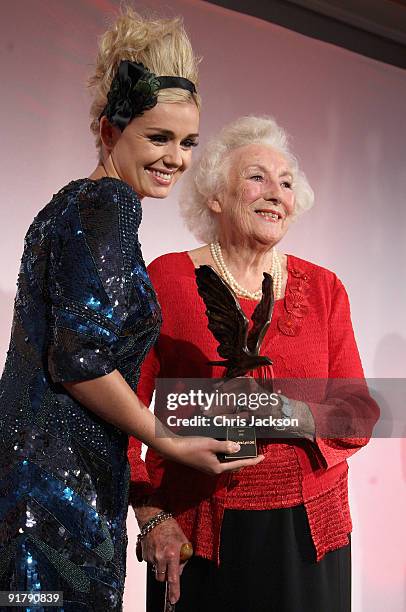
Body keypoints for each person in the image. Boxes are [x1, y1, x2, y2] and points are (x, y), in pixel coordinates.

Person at [0, 13, 263, 612]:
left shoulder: (68, 204)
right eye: (158, 137)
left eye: (188, 142)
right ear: (108, 130)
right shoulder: (109, 206)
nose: (176, 158)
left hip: (36, 479)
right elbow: (78, 361)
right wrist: (170, 441)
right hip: (59, 492)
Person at [128, 116, 379, 611]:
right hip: (197, 531)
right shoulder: (168, 278)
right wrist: (152, 514)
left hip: (308, 535)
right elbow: (124, 414)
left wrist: (289, 414)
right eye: (257, 177)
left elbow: (359, 412)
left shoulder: (325, 288)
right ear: (216, 197)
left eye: (286, 183)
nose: (276, 193)